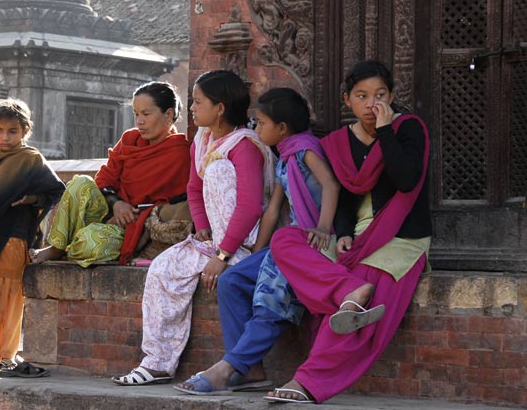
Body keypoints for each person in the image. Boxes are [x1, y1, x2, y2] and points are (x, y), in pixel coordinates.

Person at [266, 60, 431, 403]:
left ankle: (307, 382)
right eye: (362, 95)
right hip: (355, 236)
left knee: (356, 306)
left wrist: (386, 131)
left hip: (401, 238)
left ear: (392, 96)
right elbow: (343, 197)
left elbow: (408, 179)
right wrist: (341, 231)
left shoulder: (409, 129)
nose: (372, 104)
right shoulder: (339, 142)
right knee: (286, 239)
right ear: (347, 100)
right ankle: (349, 290)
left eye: (380, 95)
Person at [112, 70, 275, 386]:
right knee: (162, 269)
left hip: (246, 245)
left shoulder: (244, 145)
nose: (193, 108)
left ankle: (247, 369)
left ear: (220, 108)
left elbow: (251, 205)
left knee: (218, 173)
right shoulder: (202, 140)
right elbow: (193, 189)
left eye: (199, 102)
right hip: (214, 241)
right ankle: (158, 362)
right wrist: (202, 229)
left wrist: (224, 253)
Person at [173, 87, 339, 395]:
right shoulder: (283, 158)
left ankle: (229, 368)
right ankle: (251, 371)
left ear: (282, 129)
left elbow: (330, 184)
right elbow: (273, 210)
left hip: (311, 245)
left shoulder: (306, 149)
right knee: (232, 280)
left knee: (271, 298)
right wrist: (257, 252)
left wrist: (324, 228)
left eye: (261, 123)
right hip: (284, 246)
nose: (256, 128)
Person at [30, 81, 190, 267]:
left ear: (168, 114)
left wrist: (130, 215)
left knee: (91, 243)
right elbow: (104, 179)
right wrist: (116, 204)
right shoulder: (129, 140)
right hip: (107, 210)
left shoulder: (180, 153)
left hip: (132, 228)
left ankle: (72, 245)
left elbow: (172, 204)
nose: (139, 121)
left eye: (146, 114)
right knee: (80, 182)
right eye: (136, 114)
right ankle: (56, 248)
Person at [0, 98, 64, 376]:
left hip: (14, 236)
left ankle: (8, 356)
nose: (5, 137)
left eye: (12, 131)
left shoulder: (31, 159)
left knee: (9, 297)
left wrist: (33, 198)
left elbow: (55, 192)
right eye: (0, 130)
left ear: (25, 131)